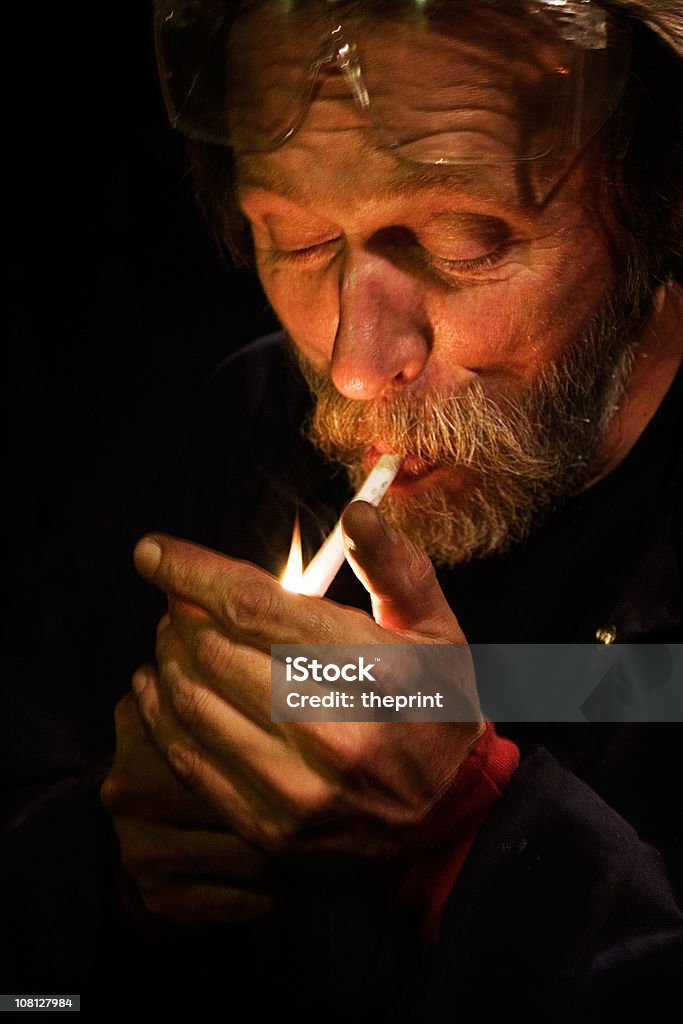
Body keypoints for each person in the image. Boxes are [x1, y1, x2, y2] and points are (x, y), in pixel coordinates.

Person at [3, 1, 682, 1019]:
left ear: (661, 197)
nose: (354, 370)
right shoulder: (242, 427)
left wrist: (466, 836)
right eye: (297, 240)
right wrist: (130, 875)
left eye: (461, 242)